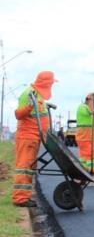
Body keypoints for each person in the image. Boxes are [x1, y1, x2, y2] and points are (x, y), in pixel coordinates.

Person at [13, 71, 56, 207]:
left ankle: (25, 196)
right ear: (46, 83)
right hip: (27, 136)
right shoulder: (29, 93)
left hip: (35, 137)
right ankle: (20, 199)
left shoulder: (38, 94)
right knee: (24, 167)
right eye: (51, 83)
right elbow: (18, 114)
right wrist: (30, 106)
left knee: (30, 166)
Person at [76, 92, 94, 185]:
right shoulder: (83, 107)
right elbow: (89, 112)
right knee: (93, 158)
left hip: (90, 139)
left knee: (84, 160)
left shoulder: (90, 108)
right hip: (85, 139)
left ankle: (82, 179)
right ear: (89, 99)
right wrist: (92, 103)